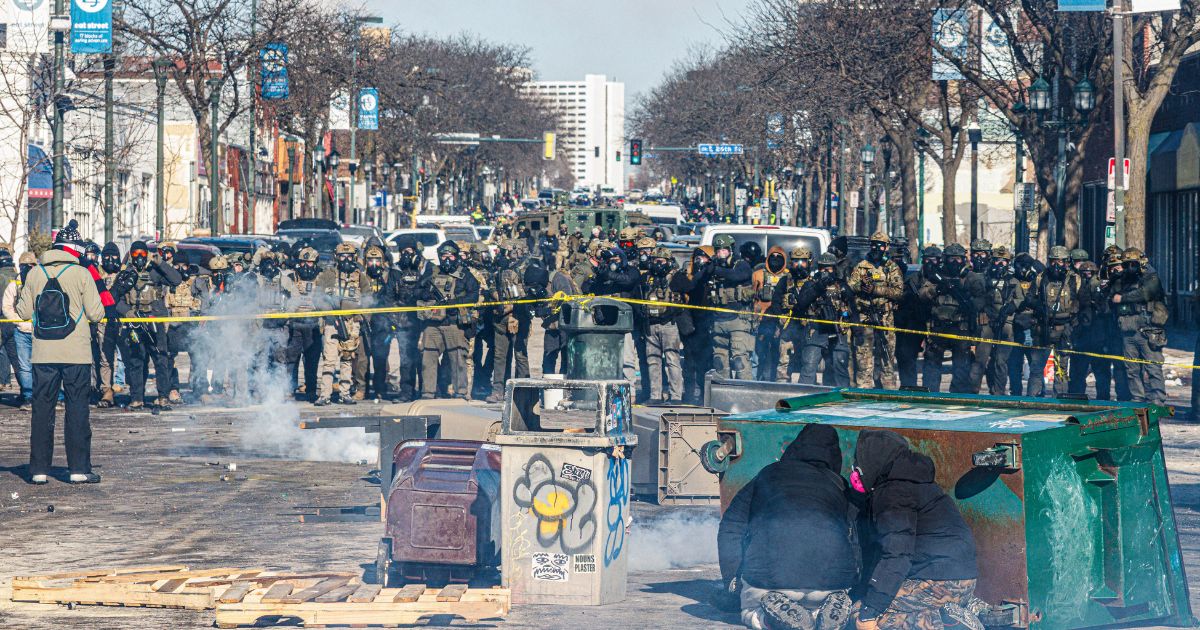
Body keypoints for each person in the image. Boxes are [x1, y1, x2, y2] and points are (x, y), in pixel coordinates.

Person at [718, 424, 857, 630]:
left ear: (795, 447)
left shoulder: (768, 475)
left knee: (749, 611)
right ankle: (823, 608)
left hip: (771, 579)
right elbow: (858, 535)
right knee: (817, 605)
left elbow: (732, 526)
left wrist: (732, 578)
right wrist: (854, 579)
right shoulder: (839, 484)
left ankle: (767, 618)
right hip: (832, 580)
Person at [851, 430, 980, 630]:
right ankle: (955, 614)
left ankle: (947, 623)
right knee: (899, 606)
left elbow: (897, 555)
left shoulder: (893, 493)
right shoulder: (921, 485)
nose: (857, 470)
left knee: (860, 612)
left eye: (859, 463)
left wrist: (869, 613)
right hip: (963, 582)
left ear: (873, 461)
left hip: (935, 582)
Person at [16, 222, 106, 484]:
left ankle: (38, 470)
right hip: (76, 354)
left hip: (42, 354)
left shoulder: (34, 273)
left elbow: (22, 312)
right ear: (74, 249)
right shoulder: (81, 274)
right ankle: (78, 469)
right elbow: (96, 313)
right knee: (77, 410)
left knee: (42, 411)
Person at [111, 240, 182, 410]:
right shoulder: (126, 274)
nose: (140, 258)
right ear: (131, 256)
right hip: (135, 322)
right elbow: (114, 298)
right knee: (136, 360)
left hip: (155, 320)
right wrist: (127, 312)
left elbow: (176, 279)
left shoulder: (155, 271)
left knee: (161, 358)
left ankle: (163, 397)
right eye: (135, 255)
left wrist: (159, 262)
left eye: (143, 254)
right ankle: (137, 398)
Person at [918, 243, 985, 393]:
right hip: (938, 327)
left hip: (960, 328)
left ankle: (957, 398)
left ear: (963, 260)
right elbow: (922, 294)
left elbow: (981, 299)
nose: (955, 263)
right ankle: (930, 396)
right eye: (951, 259)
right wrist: (937, 289)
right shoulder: (937, 275)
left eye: (958, 259)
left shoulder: (971, 277)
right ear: (945, 259)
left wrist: (970, 304)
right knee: (932, 366)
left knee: (961, 367)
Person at [418, 241, 481, 399]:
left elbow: (473, 295)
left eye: (451, 255)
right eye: (444, 255)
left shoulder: (464, 274)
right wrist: (426, 294)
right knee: (428, 358)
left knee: (458, 359)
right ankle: (428, 393)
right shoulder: (432, 272)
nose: (447, 259)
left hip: (454, 325)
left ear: (456, 256)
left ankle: (460, 393)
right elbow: (418, 290)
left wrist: (454, 303)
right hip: (432, 324)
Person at [1108, 248, 1168, 405]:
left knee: (1153, 368)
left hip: (1148, 332)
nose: (1130, 269)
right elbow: (1111, 297)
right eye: (1126, 265)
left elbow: (1145, 293)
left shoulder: (1151, 278)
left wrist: (1123, 298)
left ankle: (1157, 400)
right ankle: (1137, 399)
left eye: (1132, 264)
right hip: (1128, 333)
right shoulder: (1122, 281)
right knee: (1132, 370)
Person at [790, 253, 856, 387]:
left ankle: (842, 400)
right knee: (809, 366)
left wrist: (845, 291)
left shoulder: (840, 284)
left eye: (829, 268)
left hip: (837, 330)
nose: (825, 271)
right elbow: (801, 304)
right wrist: (818, 287)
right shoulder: (811, 284)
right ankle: (802, 396)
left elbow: (852, 306)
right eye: (822, 268)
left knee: (839, 365)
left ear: (834, 268)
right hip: (816, 330)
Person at [848, 232, 903, 389]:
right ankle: (864, 388)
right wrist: (862, 288)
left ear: (886, 247)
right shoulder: (861, 266)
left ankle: (888, 389)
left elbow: (898, 292)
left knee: (887, 356)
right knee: (863, 356)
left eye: (880, 245)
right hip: (865, 316)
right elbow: (850, 287)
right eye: (874, 244)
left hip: (885, 318)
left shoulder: (891, 267)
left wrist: (875, 290)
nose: (877, 248)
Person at [1024, 246, 1078, 398]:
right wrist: (1038, 306)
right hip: (1043, 329)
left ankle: (1060, 399)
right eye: (1054, 261)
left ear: (1066, 263)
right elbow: (1029, 298)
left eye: (1060, 261)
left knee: (1061, 369)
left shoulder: (1074, 279)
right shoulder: (1041, 278)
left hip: (1065, 329)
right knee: (1036, 367)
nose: (1056, 265)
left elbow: (1083, 301)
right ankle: (1033, 399)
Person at [315, 242, 364, 406]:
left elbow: (369, 299)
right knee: (329, 360)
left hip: (351, 322)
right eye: (342, 256)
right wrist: (329, 312)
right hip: (331, 322)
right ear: (337, 257)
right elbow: (318, 297)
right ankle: (325, 394)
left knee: (347, 358)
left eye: (349, 256)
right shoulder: (328, 274)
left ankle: (345, 393)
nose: (346, 260)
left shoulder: (359, 276)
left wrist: (359, 315)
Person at [970, 246, 1023, 395]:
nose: (1000, 264)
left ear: (1009, 263)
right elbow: (975, 299)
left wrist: (1012, 306)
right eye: (997, 261)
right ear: (992, 261)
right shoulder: (984, 279)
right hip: (987, 324)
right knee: (980, 360)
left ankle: (998, 393)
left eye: (1004, 261)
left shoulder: (1013, 281)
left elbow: (1020, 299)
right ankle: (972, 393)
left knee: (1000, 362)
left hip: (1006, 325)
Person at [637, 247, 684, 403]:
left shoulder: (676, 277)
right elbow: (638, 296)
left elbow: (685, 292)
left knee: (672, 360)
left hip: (669, 324)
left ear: (669, 262)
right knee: (653, 360)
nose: (658, 264)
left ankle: (676, 396)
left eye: (661, 261)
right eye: (655, 260)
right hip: (651, 324)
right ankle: (655, 395)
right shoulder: (646, 278)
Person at [705, 233, 754, 380]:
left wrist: (715, 270)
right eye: (718, 250)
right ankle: (722, 396)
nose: (721, 254)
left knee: (739, 361)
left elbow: (737, 276)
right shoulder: (713, 266)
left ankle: (746, 397)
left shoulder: (741, 264)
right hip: (718, 321)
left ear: (731, 250)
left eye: (724, 250)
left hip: (738, 320)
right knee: (719, 361)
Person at [895, 247, 939, 388]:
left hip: (936, 322)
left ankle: (931, 390)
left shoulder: (943, 278)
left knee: (933, 358)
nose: (931, 262)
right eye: (927, 259)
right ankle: (909, 387)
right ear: (923, 260)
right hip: (915, 321)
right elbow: (903, 300)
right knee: (906, 355)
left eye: (934, 259)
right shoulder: (913, 279)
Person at [2, 252, 37, 409]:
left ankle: (43, 395)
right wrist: (18, 320)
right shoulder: (14, 283)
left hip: (39, 330)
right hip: (20, 330)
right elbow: (7, 306)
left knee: (42, 366)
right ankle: (28, 395)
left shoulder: (42, 282)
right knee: (23, 365)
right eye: (25, 266)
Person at [752, 246, 790, 382]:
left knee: (778, 355)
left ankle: (775, 382)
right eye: (772, 256)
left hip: (780, 322)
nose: (775, 260)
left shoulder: (788, 276)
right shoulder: (758, 274)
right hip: (761, 321)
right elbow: (752, 296)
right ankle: (755, 382)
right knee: (758, 355)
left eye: (778, 257)